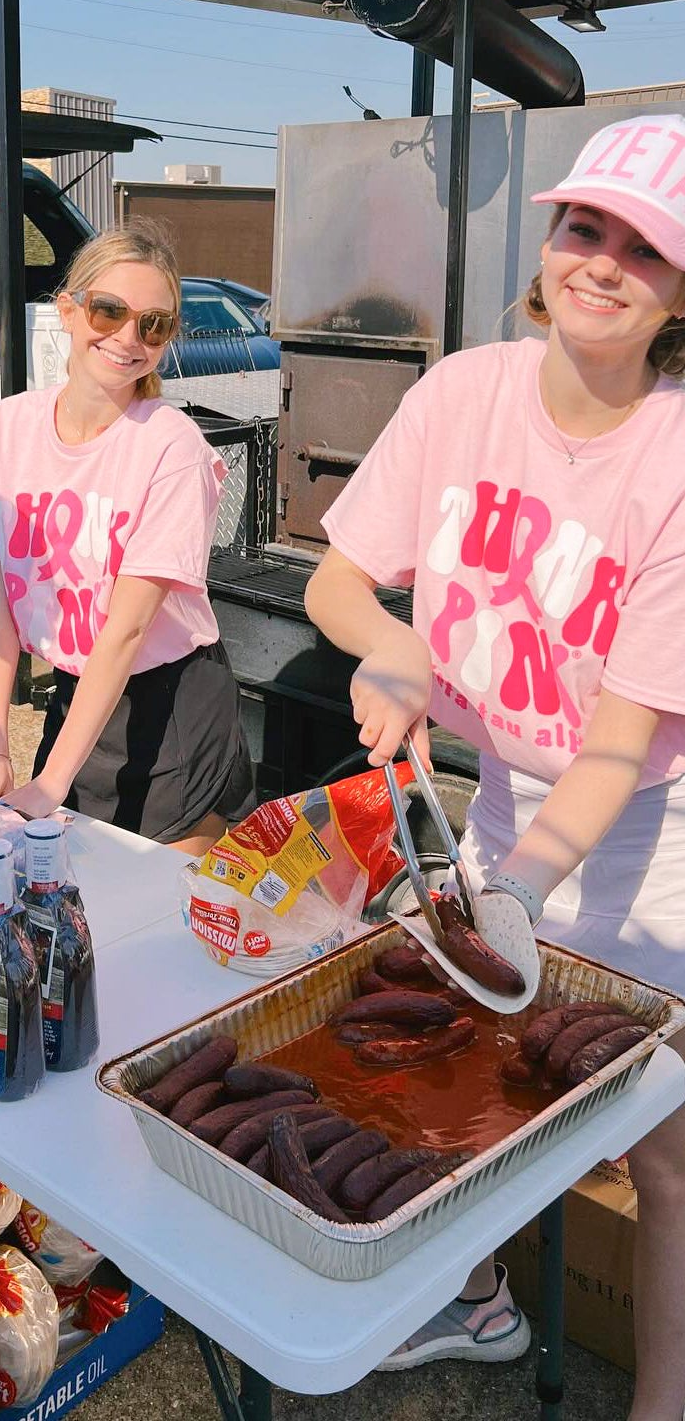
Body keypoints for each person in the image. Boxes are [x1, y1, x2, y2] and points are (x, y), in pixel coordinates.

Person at [305, 114, 685, 1420]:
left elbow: (625, 747)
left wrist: (505, 893)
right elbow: (339, 583)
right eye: (586, 227)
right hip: (518, 797)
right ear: (548, 241)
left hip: (655, 824)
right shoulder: (462, 393)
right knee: (478, 1060)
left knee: (667, 1143)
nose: (604, 261)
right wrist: (394, 649)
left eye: (646, 248)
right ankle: (477, 1302)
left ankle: (662, 1397)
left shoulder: (678, 458)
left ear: (680, 291)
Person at [0, 225, 252, 851]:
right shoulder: (7, 427)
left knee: (157, 905)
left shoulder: (172, 447)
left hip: (169, 706)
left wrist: (49, 782)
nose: (126, 338)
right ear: (68, 309)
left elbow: (128, 629)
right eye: (109, 311)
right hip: (79, 696)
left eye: (154, 325)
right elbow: (0, 598)